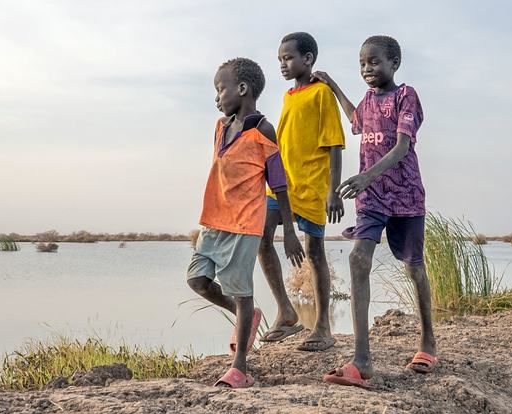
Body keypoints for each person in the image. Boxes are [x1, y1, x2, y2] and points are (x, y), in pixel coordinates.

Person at [313, 36, 436, 389]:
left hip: (405, 195)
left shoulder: (405, 96)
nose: (368, 69)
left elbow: (401, 147)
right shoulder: (367, 102)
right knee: (358, 259)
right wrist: (333, 85)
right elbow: (357, 119)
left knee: (414, 267)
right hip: (371, 199)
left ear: (394, 63)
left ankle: (428, 341)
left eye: (375, 62)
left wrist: (366, 175)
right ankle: (362, 359)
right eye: (362, 64)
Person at [187, 57, 305, 389]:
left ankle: (240, 368)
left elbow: (279, 182)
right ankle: (247, 316)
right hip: (213, 220)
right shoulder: (221, 127)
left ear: (242, 89)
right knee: (197, 280)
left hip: (244, 224)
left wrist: (290, 230)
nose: (217, 97)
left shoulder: (262, 130)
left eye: (220, 88)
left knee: (241, 290)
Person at [257, 31, 346, 352]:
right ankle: (287, 311)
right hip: (282, 188)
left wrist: (333, 191)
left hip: (312, 187)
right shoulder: (288, 97)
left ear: (307, 59)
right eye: (279, 59)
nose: (282, 64)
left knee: (315, 253)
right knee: (262, 237)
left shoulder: (321, 94)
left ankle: (323, 326)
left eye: (288, 58)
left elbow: (335, 144)